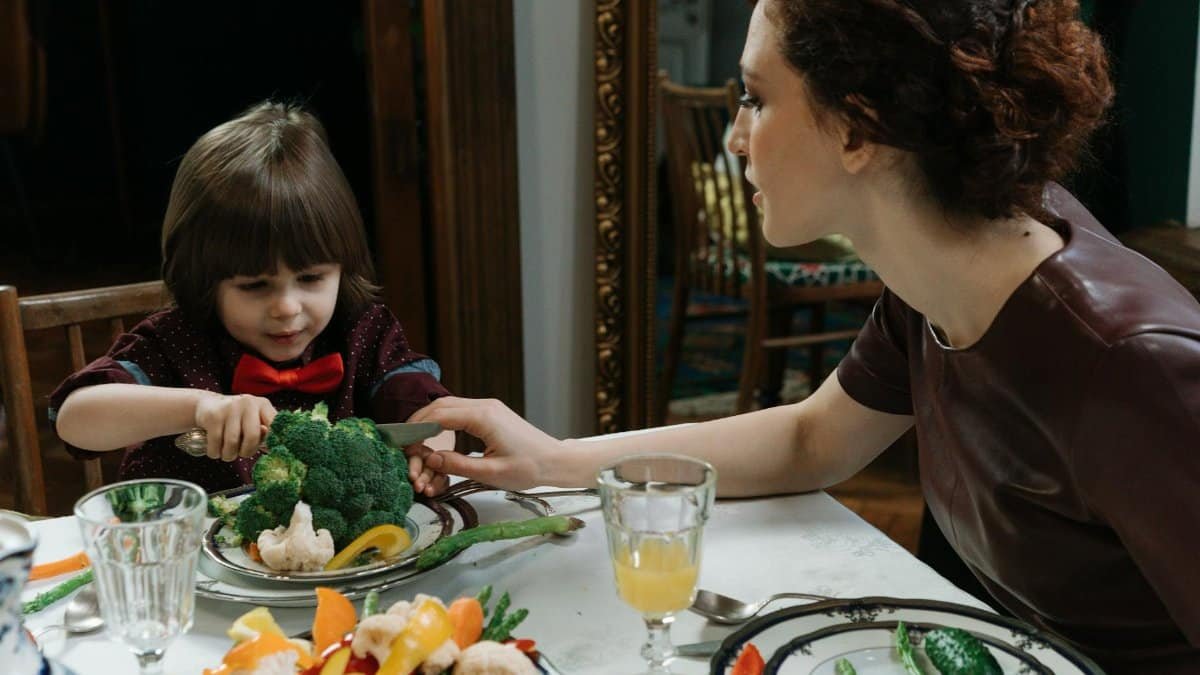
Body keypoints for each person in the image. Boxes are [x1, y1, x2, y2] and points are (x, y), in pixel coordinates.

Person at [407, 1, 1200, 672]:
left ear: (858, 130)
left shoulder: (1129, 364)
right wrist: (555, 459)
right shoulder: (940, 275)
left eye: (755, 98)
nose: (735, 137)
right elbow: (812, 438)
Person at [51, 102, 454, 496]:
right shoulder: (174, 342)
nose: (286, 307)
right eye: (255, 286)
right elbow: (74, 418)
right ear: (204, 282)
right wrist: (198, 407)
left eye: (311, 278)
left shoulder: (363, 331)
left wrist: (429, 454)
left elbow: (433, 414)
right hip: (187, 556)